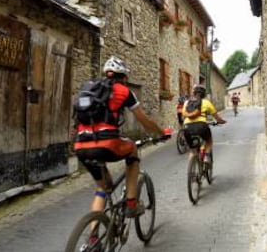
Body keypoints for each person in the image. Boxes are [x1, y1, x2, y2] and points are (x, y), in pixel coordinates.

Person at [73, 56, 171, 218]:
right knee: (132, 149)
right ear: (124, 77)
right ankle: (131, 204)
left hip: (81, 146)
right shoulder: (124, 91)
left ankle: (93, 238)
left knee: (102, 188)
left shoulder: (89, 90)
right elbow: (144, 120)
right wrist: (160, 133)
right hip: (107, 144)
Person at [182, 85, 226, 163]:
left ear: (194, 93)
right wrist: (221, 121)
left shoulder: (186, 103)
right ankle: (206, 156)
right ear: (204, 94)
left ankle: (192, 159)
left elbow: (183, 116)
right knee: (209, 141)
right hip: (201, 126)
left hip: (187, 127)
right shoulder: (206, 102)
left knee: (192, 149)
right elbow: (216, 117)